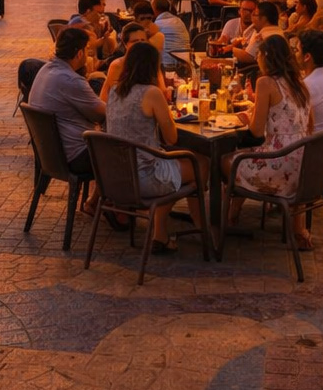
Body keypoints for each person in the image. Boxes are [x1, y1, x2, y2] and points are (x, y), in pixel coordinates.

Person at [105, 40, 204, 253]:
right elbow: (171, 138)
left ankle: (162, 232)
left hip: (115, 177)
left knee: (181, 163)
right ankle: (196, 228)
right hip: (143, 178)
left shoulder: (114, 90)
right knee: (201, 164)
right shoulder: (151, 93)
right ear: (153, 66)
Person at [224, 34, 315, 246]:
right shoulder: (300, 84)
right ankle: (298, 229)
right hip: (304, 164)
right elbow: (309, 124)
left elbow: (256, 131)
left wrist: (247, 117)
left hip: (279, 162)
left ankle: (230, 216)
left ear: (266, 56)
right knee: (245, 158)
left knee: (227, 161)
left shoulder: (265, 82)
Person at [28, 27, 108, 184]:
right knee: (129, 154)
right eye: (87, 50)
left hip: (52, 155)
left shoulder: (46, 69)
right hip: (74, 156)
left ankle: (95, 203)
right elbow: (101, 114)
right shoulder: (69, 80)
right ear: (79, 53)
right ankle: (113, 204)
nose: (88, 55)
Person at [152, 0, 188, 73]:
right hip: (185, 63)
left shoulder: (157, 25)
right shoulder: (179, 21)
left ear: (154, 9)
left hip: (167, 65)